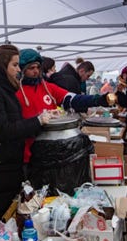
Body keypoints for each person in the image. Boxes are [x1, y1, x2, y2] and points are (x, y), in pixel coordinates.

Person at [17, 49, 115, 193]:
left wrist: (98, 99)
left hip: (52, 149)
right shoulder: (16, 92)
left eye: (38, 67)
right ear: (22, 69)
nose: (36, 71)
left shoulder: (48, 88)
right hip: (28, 154)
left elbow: (72, 99)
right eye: (31, 68)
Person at [0, 45, 49, 235]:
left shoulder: (4, 89)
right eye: (15, 65)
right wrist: (37, 121)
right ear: (3, 66)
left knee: (6, 218)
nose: (19, 69)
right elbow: (1, 130)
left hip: (8, 167)